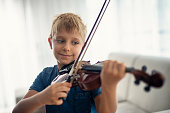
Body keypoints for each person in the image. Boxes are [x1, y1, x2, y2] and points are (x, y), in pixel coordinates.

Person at [12, 13, 126, 113]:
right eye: (61, 41)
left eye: (75, 42)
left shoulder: (89, 77)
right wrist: (41, 98)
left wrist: (110, 85)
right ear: (50, 42)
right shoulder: (46, 75)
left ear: (83, 46)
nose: (67, 48)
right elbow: (17, 111)